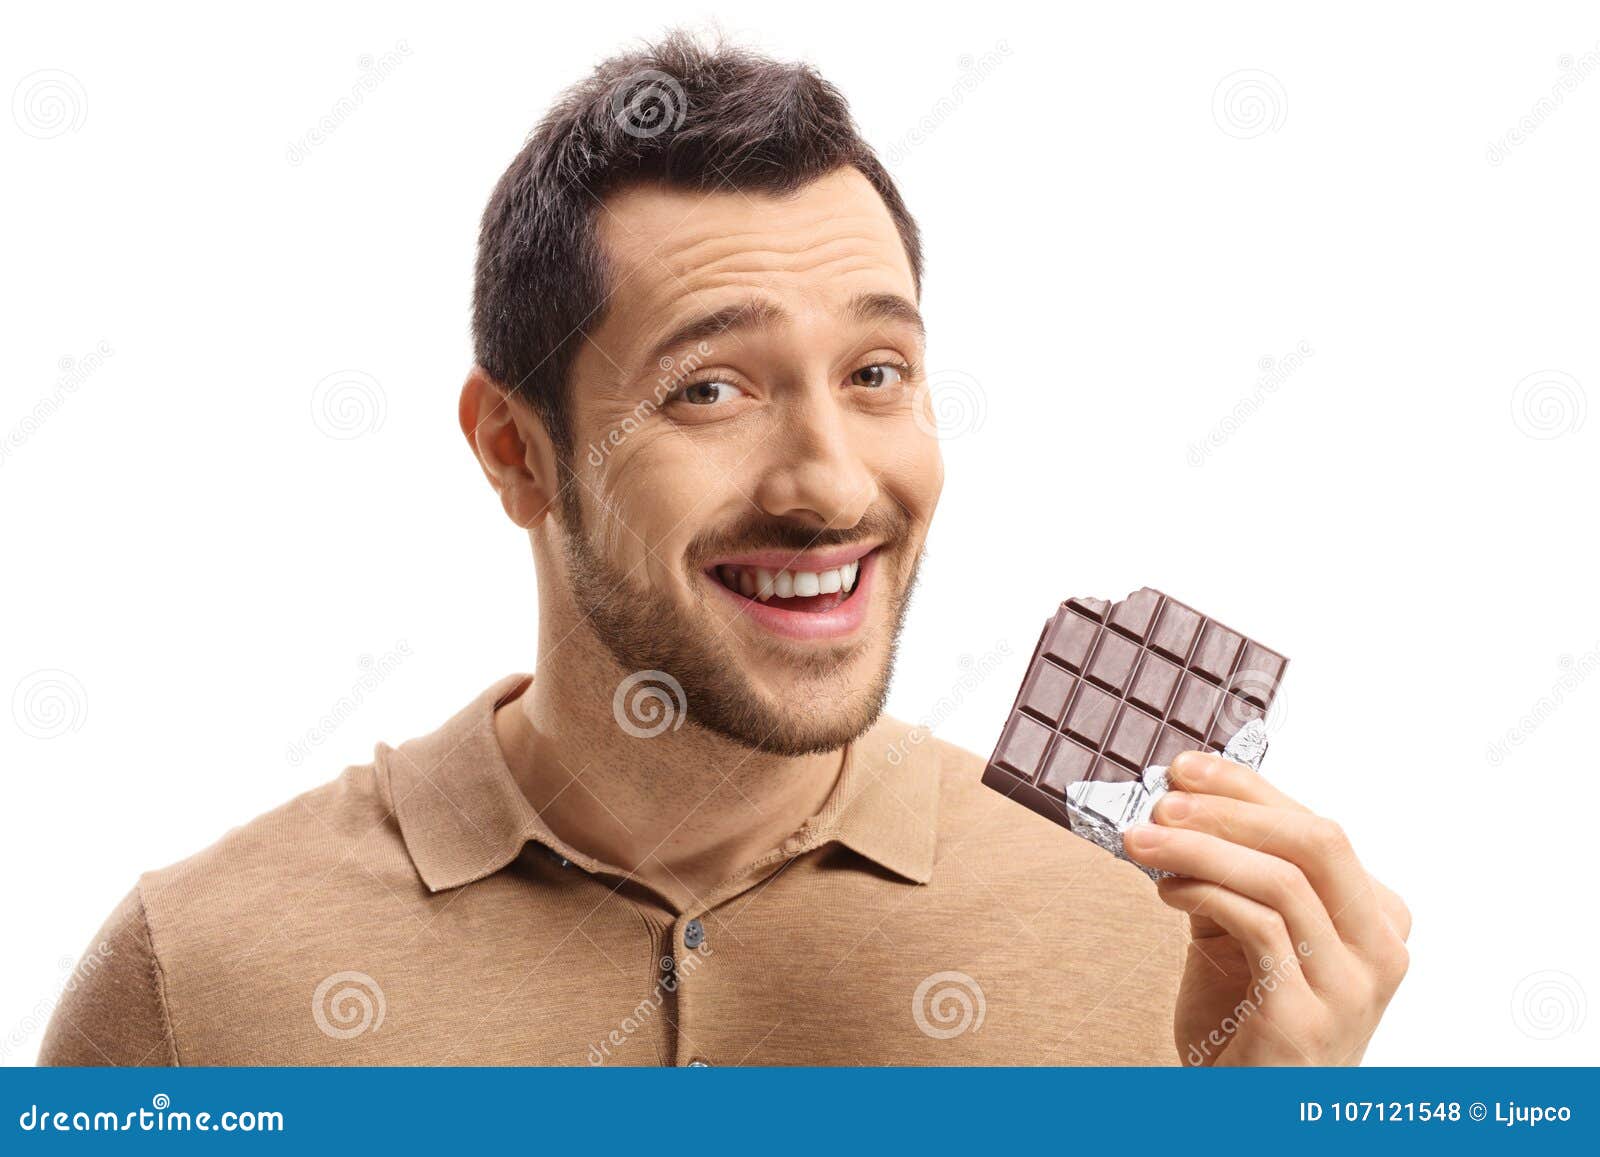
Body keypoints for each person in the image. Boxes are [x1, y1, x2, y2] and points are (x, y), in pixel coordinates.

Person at [40, 31, 1408, 1067]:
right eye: (711, 389)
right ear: (516, 451)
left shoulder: (1176, 950)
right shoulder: (193, 983)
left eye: (877, 372)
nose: (829, 482)